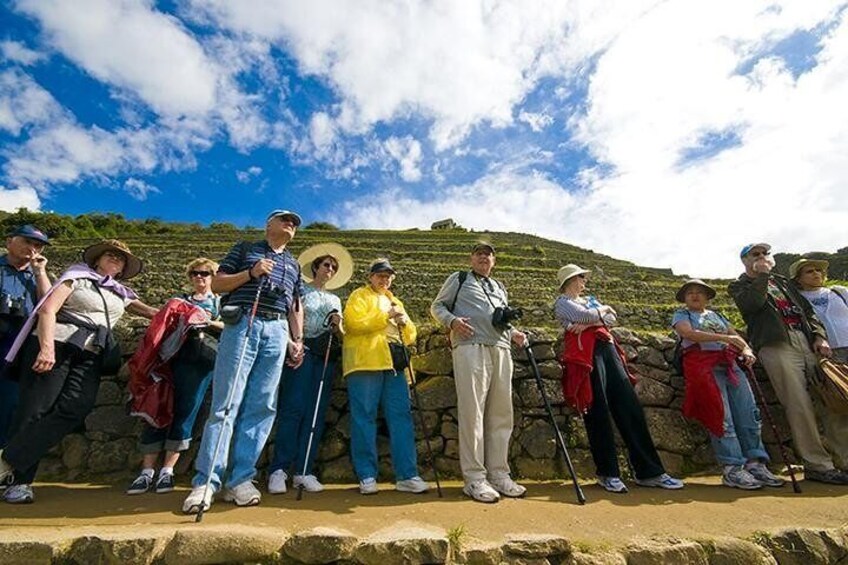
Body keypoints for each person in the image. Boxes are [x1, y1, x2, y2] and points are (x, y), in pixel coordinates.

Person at [0, 239, 157, 503]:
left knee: (76, 407)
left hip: (91, 353)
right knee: (35, 410)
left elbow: (154, 312)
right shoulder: (76, 277)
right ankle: (20, 482)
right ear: (97, 260)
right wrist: (46, 348)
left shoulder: (121, 293)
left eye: (121, 259)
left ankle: (7, 461)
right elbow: (49, 309)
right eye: (111, 255)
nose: (116, 260)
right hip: (58, 344)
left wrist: (189, 312)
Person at [182, 210, 305, 514]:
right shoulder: (244, 248)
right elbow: (219, 285)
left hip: (277, 330)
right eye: (285, 219)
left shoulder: (294, 263)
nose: (291, 224)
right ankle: (206, 482)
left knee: (263, 405)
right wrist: (251, 273)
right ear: (269, 224)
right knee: (226, 402)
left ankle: (241, 479)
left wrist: (297, 339)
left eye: (294, 223)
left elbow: (295, 304)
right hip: (242, 324)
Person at [555, 264, 684, 493]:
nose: (584, 281)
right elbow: (584, 315)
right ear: (571, 280)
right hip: (587, 355)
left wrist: (598, 316)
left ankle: (650, 471)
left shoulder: (592, 300)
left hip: (608, 350)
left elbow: (611, 318)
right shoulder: (563, 302)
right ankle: (608, 473)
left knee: (629, 405)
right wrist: (601, 313)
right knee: (598, 409)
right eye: (581, 277)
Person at [729, 243, 848, 484]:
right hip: (776, 344)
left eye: (765, 254)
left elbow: (808, 312)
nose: (762, 257)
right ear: (745, 261)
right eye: (756, 255)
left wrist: (819, 335)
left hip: (805, 340)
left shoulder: (783, 283)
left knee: (831, 399)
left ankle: (845, 459)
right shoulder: (740, 285)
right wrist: (762, 275)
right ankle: (818, 464)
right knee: (798, 404)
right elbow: (752, 305)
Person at [430, 241, 527, 503]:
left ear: (494, 261)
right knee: (473, 412)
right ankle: (474, 479)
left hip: (501, 348)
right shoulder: (459, 279)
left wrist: (515, 332)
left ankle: (499, 474)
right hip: (470, 346)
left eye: (489, 254)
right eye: (479, 253)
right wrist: (452, 321)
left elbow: (502, 321)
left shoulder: (500, 287)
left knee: (501, 413)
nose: (484, 257)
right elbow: (437, 307)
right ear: (471, 259)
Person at [671, 279, 783, 490]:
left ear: (707, 297)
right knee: (721, 415)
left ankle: (755, 462)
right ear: (684, 298)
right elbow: (688, 334)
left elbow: (737, 337)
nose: (695, 296)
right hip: (704, 367)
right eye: (690, 293)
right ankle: (732, 466)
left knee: (748, 412)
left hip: (729, 364)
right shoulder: (682, 315)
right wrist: (728, 339)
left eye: (700, 292)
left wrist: (746, 350)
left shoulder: (717, 316)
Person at [127, 258, 223, 495]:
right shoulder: (179, 301)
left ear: (213, 277)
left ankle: (167, 471)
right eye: (195, 273)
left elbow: (228, 327)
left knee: (187, 411)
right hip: (169, 361)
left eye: (206, 273)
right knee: (156, 409)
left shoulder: (221, 303)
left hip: (201, 361)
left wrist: (206, 321)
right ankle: (146, 472)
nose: (200, 277)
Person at [268, 243, 352, 494]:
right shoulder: (300, 290)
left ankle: (304, 469)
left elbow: (341, 334)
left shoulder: (336, 299)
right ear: (315, 267)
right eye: (326, 264)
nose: (330, 269)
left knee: (315, 412)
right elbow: (287, 317)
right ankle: (279, 469)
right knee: (293, 408)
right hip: (301, 351)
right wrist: (294, 343)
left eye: (334, 267)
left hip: (325, 355)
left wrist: (338, 326)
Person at [342, 258, 429, 495]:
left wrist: (404, 322)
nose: (385, 279)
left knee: (401, 417)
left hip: (394, 364)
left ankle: (407, 475)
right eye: (380, 275)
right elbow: (353, 323)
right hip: (365, 362)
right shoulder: (358, 296)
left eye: (388, 275)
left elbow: (410, 335)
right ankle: (367, 475)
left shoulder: (396, 300)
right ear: (370, 276)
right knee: (364, 417)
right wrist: (386, 317)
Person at [0, 225, 51, 449]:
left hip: (19, 342)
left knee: (9, 402)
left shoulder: (36, 274)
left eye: (38, 245)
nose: (32, 248)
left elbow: (49, 303)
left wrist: (39, 272)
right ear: (9, 241)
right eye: (27, 241)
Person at [790, 258, 848, 363]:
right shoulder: (796, 299)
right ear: (798, 278)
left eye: (818, 270)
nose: (816, 273)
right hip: (826, 352)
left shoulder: (839, 291)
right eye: (809, 271)